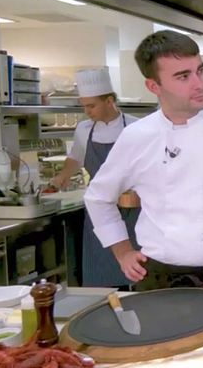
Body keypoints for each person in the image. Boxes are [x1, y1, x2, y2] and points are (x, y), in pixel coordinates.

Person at [83, 30, 203, 292]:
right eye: (183, 76)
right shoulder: (136, 137)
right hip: (155, 278)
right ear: (153, 86)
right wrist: (123, 252)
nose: (199, 84)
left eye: (200, 70)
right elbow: (97, 198)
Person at [50, 68, 140, 288]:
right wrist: (61, 177)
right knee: (99, 274)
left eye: (91, 106)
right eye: (84, 106)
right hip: (99, 210)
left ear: (109, 101)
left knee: (134, 269)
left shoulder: (136, 127)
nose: (87, 111)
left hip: (133, 209)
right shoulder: (84, 130)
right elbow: (76, 158)